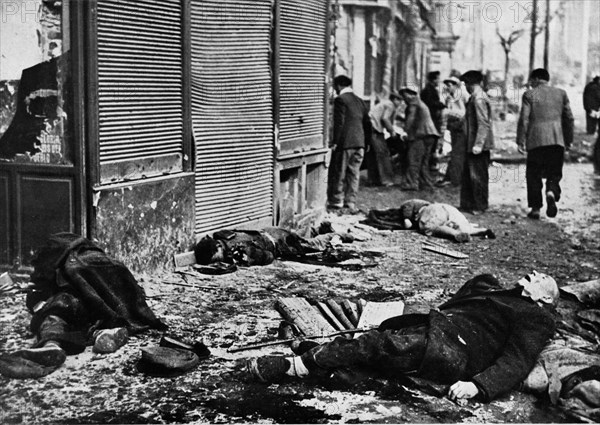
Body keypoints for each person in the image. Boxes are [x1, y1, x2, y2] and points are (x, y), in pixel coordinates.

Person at [246, 271, 559, 403]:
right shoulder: (506, 294)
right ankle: (334, 365)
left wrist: (478, 386)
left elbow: (518, 360)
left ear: (545, 301)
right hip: (438, 331)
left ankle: (294, 366)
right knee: (379, 346)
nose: (537, 275)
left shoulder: (538, 317)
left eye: (545, 280)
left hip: (452, 351)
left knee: (378, 345)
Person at [0, 233, 166, 379]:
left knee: (60, 305)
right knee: (76, 307)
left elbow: (56, 295)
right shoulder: (101, 259)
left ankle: (52, 344)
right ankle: (103, 333)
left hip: (91, 309)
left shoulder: (70, 265)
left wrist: (41, 301)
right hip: (122, 311)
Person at [517, 68, 574, 220]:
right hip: (556, 140)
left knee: (533, 174)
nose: (530, 83)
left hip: (536, 140)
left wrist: (520, 140)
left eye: (531, 80)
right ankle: (551, 191)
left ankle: (535, 208)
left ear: (536, 79)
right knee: (554, 172)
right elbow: (569, 118)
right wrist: (568, 140)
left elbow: (524, 119)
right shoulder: (561, 93)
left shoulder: (530, 94)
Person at [327, 75, 372, 213]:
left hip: (345, 142)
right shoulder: (360, 101)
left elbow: (339, 123)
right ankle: (350, 202)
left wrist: (336, 141)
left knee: (339, 172)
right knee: (354, 173)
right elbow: (368, 123)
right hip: (360, 144)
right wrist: (367, 142)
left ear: (339, 85)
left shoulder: (340, 100)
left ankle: (337, 200)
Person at [365, 199, 495, 242]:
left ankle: (455, 235)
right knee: (460, 224)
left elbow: (407, 222)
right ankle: (480, 230)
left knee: (429, 227)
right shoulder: (426, 204)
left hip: (433, 211)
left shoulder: (410, 204)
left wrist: (406, 219)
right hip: (448, 209)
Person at [460, 70, 495, 214]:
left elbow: (483, 123)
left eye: (466, 84)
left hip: (477, 145)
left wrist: (479, 144)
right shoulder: (475, 97)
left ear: (470, 84)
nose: (466, 87)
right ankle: (468, 204)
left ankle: (479, 206)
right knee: (469, 175)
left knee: (478, 176)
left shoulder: (478, 99)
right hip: (472, 143)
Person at [399, 87, 440, 191]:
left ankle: (412, 183)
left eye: (404, 96)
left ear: (410, 94)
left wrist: (405, 132)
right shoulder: (421, 102)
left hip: (421, 135)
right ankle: (426, 183)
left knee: (413, 159)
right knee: (424, 162)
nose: (404, 99)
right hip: (430, 134)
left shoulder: (414, 102)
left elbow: (411, 118)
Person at [437, 76, 468, 187]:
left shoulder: (463, 95)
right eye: (447, 85)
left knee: (457, 155)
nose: (448, 88)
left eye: (450, 85)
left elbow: (465, 113)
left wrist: (449, 112)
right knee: (455, 154)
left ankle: (455, 180)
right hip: (454, 128)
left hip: (462, 128)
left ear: (456, 85)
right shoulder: (449, 97)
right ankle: (451, 178)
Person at [367, 92, 402, 186]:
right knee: (383, 154)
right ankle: (387, 180)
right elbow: (385, 119)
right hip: (375, 129)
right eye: (399, 100)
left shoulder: (384, 103)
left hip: (369, 127)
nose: (400, 103)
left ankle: (373, 180)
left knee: (373, 154)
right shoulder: (390, 105)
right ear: (394, 99)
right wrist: (392, 131)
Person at [420, 71, 446, 173]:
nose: (439, 81)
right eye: (438, 79)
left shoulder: (429, 89)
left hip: (432, 118)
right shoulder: (429, 90)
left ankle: (430, 163)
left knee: (433, 141)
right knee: (431, 141)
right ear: (433, 79)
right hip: (431, 119)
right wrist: (442, 104)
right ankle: (429, 164)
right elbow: (430, 103)